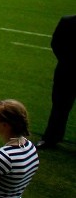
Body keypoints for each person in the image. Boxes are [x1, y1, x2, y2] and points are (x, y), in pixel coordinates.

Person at [37, 15, 76, 150]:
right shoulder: (68, 22)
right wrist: (69, 62)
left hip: (66, 71)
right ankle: (51, 138)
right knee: (59, 107)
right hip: (67, 73)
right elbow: (56, 43)